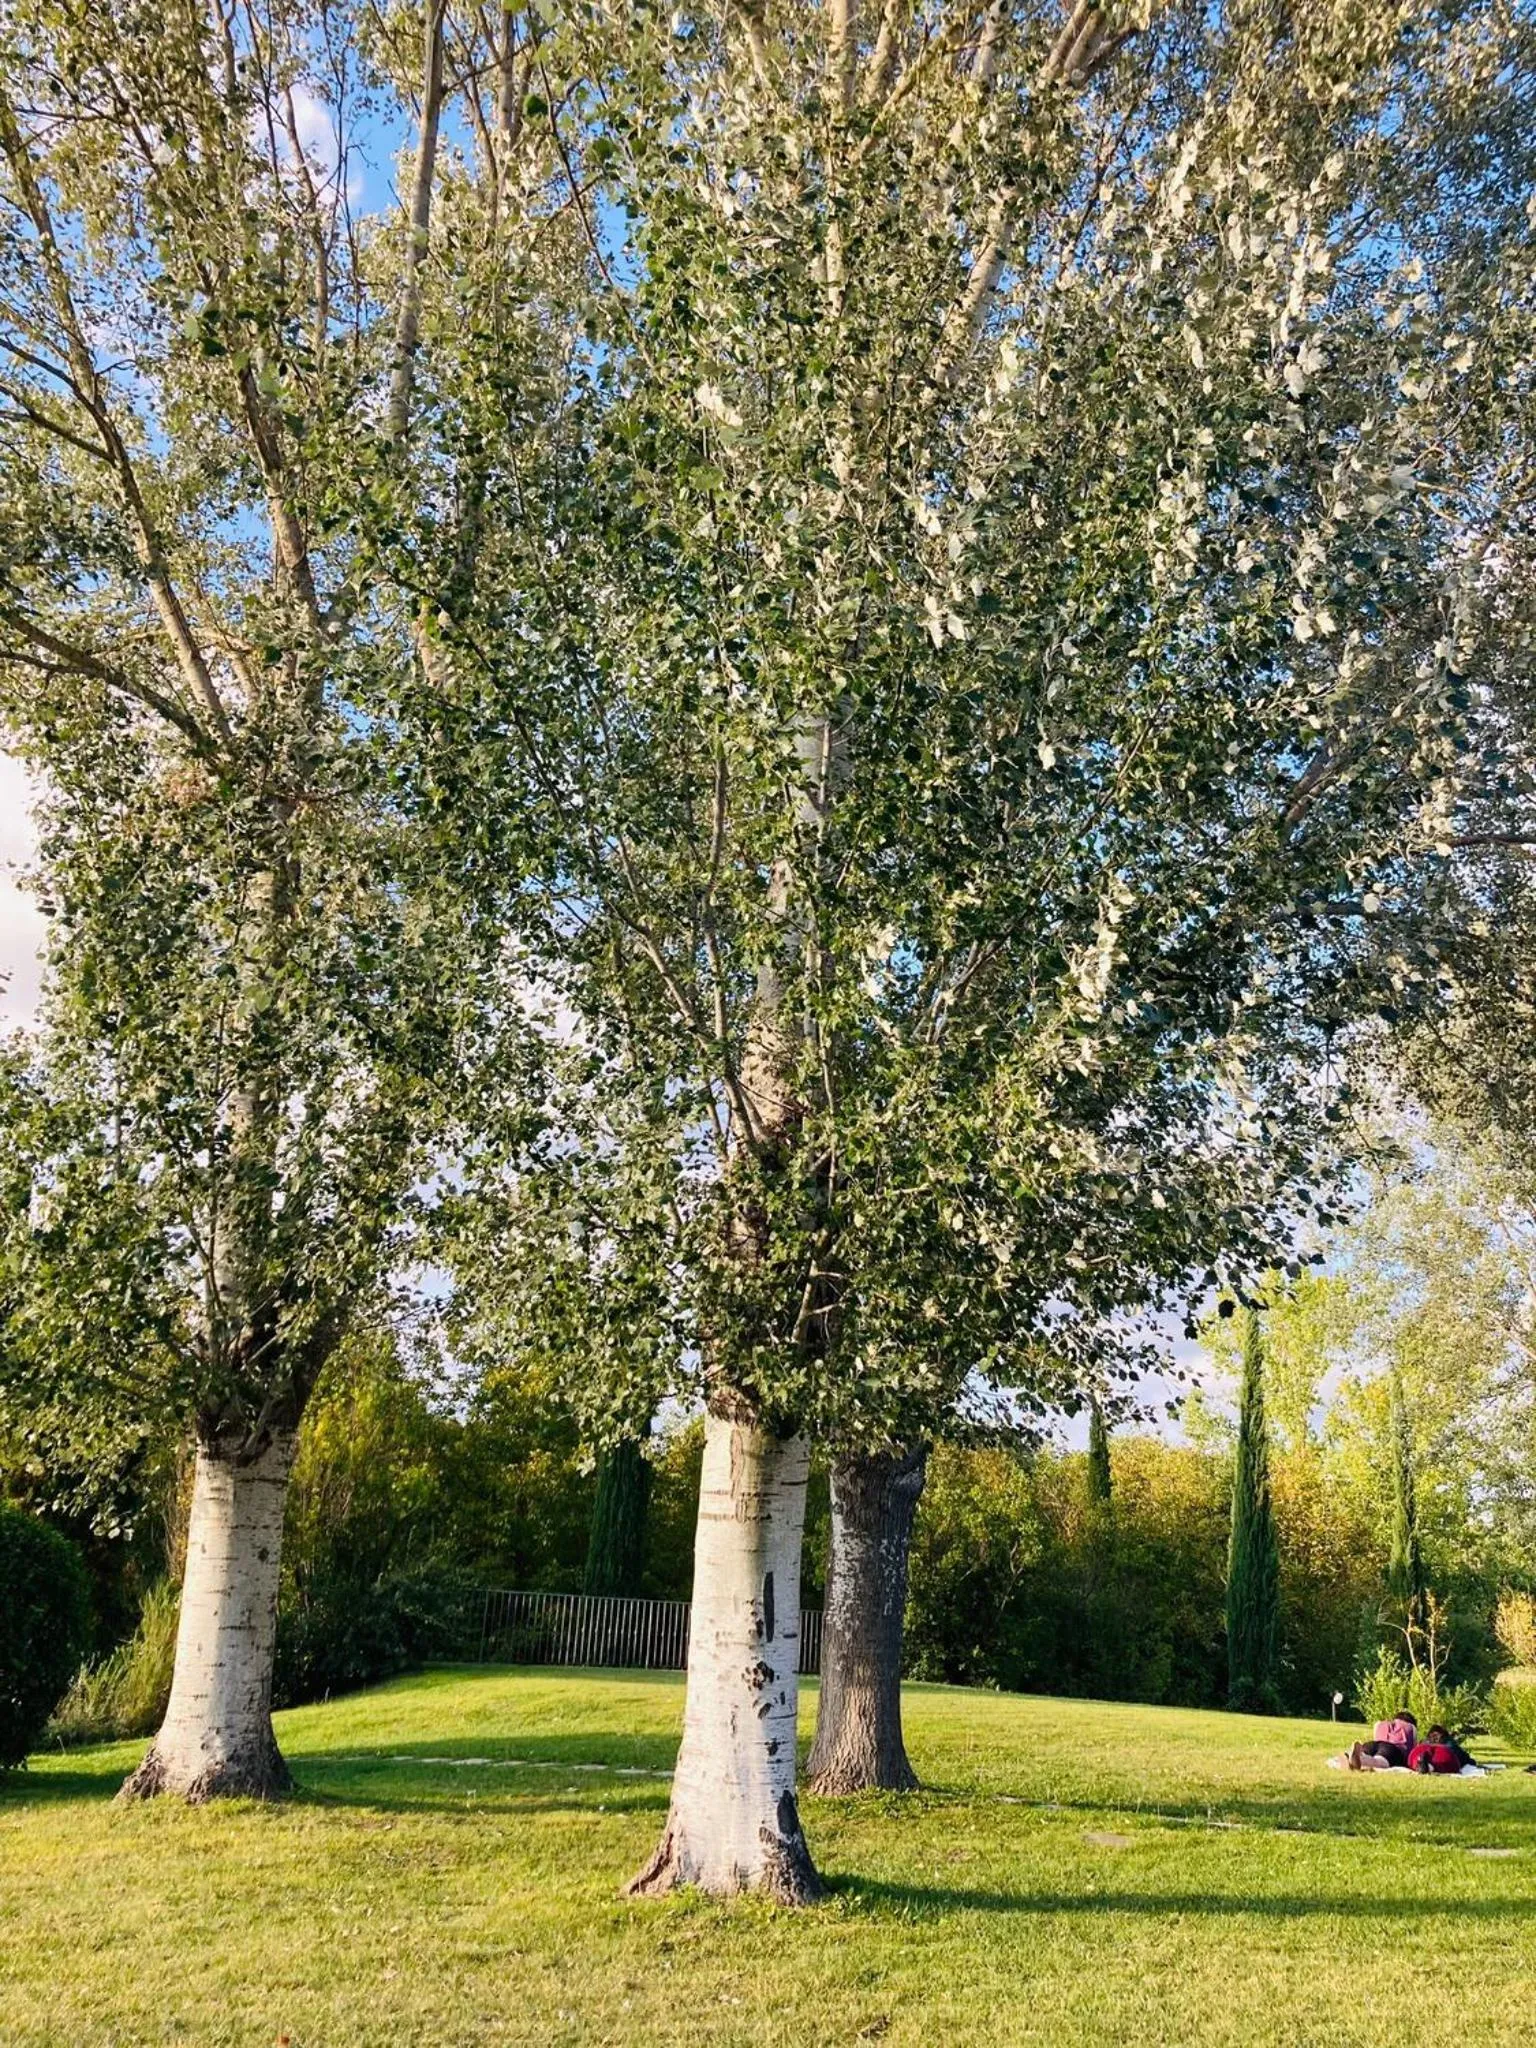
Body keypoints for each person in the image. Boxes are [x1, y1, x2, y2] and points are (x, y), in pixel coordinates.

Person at [1344, 1711, 1418, 1771]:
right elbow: (1413, 1753)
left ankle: (1358, 1757)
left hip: (1373, 1744)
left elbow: (1375, 1737)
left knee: (1366, 1754)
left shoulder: (1380, 1723)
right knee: (1379, 1761)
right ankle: (1361, 1760)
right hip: (1392, 1749)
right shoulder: (1411, 1727)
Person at [1407, 1725, 1479, 1774]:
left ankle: (1428, 1765)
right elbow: (1463, 1757)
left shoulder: (1425, 1742)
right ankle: (1429, 1766)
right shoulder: (1450, 1743)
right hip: (1447, 1756)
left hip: (1431, 1755)